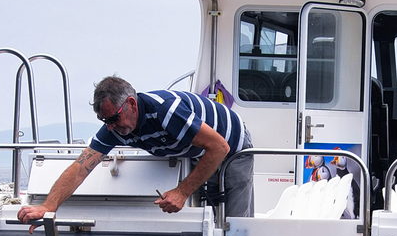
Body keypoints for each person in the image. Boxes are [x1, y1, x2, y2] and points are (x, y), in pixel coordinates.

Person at [17, 76, 253, 226]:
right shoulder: (114, 128)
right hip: (198, 151)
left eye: (113, 118)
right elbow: (81, 167)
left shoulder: (164, 111)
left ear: (131, 103)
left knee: (234, 222)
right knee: (210, 219)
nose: (110, 126)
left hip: (232, 146)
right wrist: (49, 206)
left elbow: (220, 147)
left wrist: (182, 191)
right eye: (104, 120)